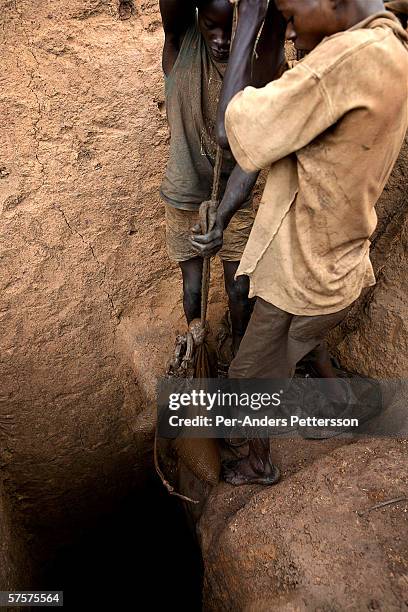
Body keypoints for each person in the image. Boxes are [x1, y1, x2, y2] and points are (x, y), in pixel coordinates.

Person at [191, 0, 408, 484]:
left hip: (301, 270)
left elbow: (236, 129)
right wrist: (225, 217)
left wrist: (250, 22)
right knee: (304, 342)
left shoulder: (340, 65)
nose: (287, 30)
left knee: (251, 376)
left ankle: (259, 462)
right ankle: (336, 409)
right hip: (342, 265)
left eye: (289, 15)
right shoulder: (392, 46)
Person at [159, 0, 285, 355]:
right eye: (210, 27)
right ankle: (196, 347)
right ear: (197, 20)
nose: (220, 39)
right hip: (184, 195)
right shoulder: (180, 43)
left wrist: (224, 216)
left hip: (235, 197)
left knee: (239, 289)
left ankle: (239, 350)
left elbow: (254, 158)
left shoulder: (259, 64)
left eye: (230, 30)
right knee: (193, 289)